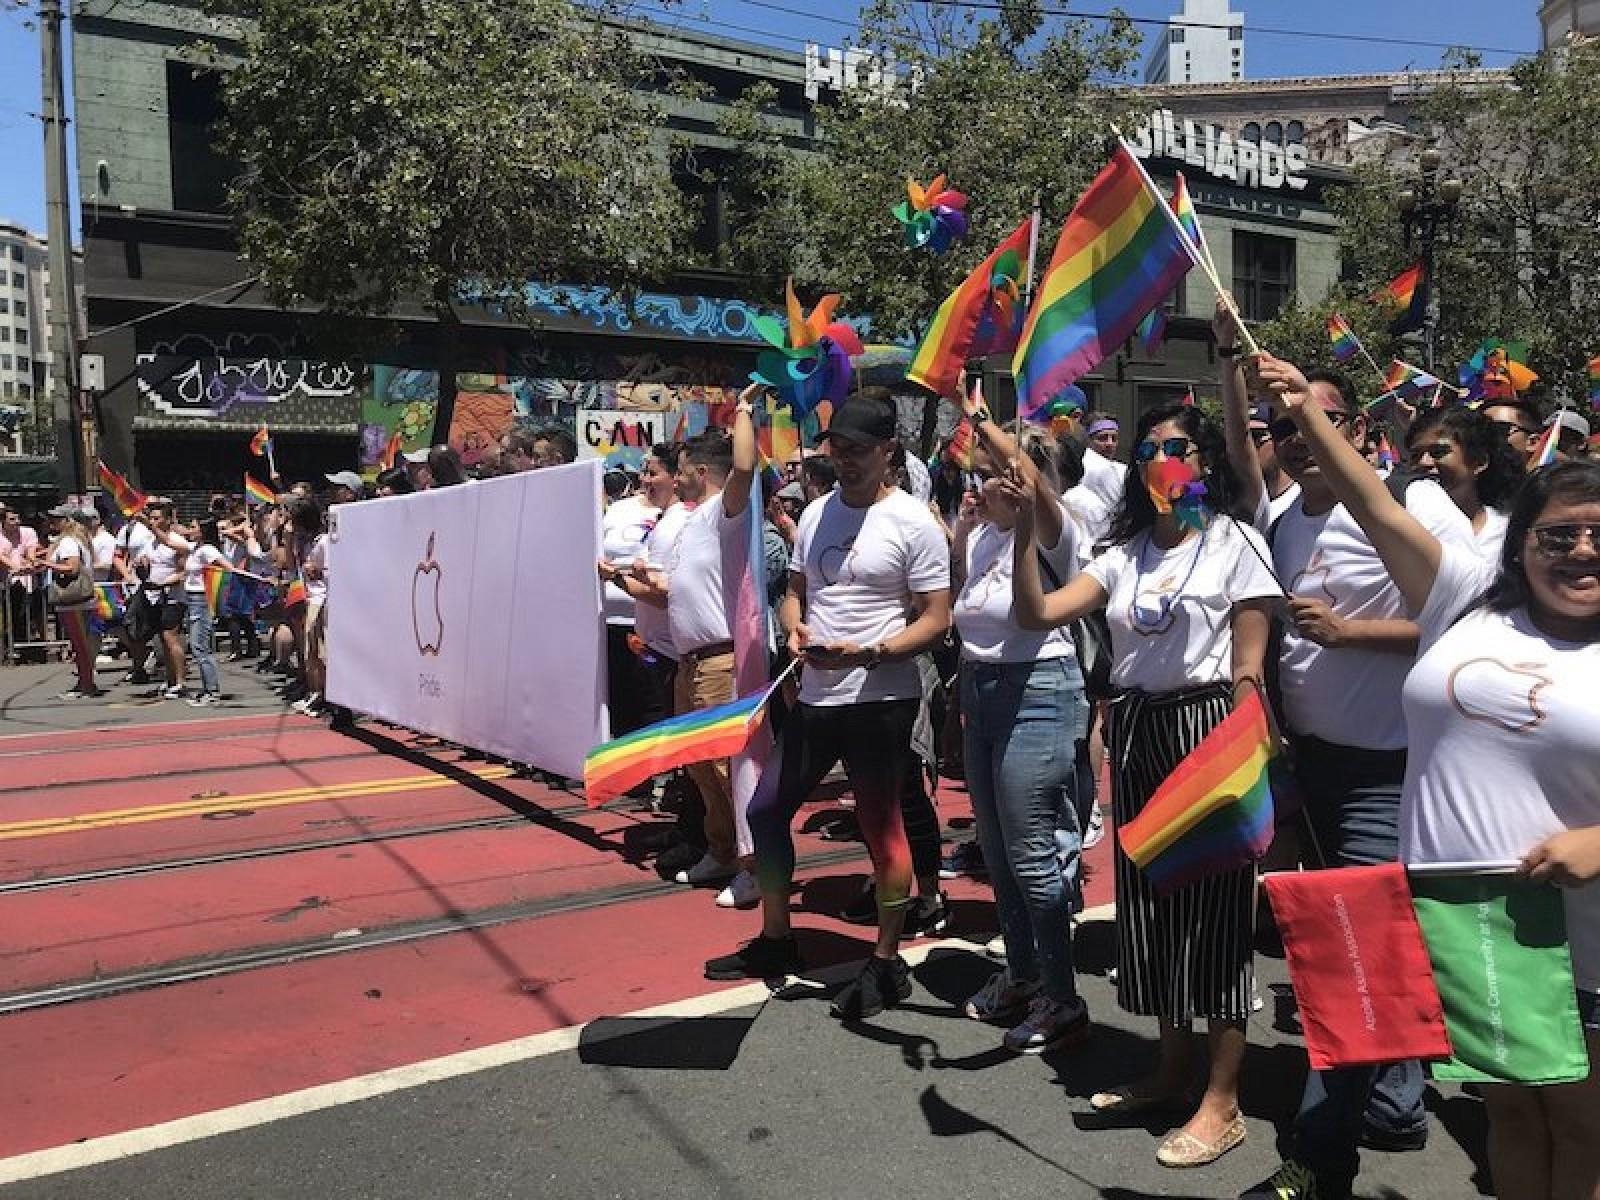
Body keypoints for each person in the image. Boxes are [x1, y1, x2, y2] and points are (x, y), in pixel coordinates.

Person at [1251, 352, 1600, 1200]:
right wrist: (1306, 409)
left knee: (1584, 1133)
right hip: (1474, 924)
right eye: (1560, 535)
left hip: (1584, 937)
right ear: (1524, 544)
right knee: (1512, 1119)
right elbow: (1373, 501)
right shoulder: (1471, 599)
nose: (1583, 552)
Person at [1215, 297, 1478, 1190]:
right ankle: (1397, 1102)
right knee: (1350, 943)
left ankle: (1317, 1158)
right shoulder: (1286, 518)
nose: (1292, 441)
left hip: (1388, 772)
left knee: (1355, 951)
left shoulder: (1419, 503)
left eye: (1308, 422)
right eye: (1282, 429)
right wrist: (1228, 362)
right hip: (1307, 767)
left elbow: (1455, 623)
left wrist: (1352, 635)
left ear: (1352, 427)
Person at [1011, 401, 1280, 1169]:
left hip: (1207, 734)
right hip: (1136, 735)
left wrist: (1240, 751)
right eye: (1151, 447)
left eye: (1180, 447)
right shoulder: (1123, 551)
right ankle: (1171, 1072)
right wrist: (1025, 529)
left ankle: (1223, 1101)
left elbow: (1249, 664)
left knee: (1218, 917)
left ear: (1205, 462)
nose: (1165, 457)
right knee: (1152, 912)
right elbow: (1039, 614)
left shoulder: (1235, 541)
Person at [705, 388, 952, 1021]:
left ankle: (886, 959)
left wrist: (870, 651)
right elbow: (796, 591)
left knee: (881, 826)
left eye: (856, 449)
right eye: (835, 447)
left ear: (888, 451)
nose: (842, 458)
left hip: (881, 699)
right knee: (765, 810)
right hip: (817, 692)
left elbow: (936, 621)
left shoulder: (916, 523)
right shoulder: (815, 515)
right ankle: (777, 938)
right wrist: (795, 627)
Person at [952, 401, 1091, 1055]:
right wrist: (961, 532)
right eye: (978, 473)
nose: (983, 483)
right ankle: (1023, 972)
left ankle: (1061, 997)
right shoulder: (981, 530)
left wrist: (976, 416)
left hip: (1038, 692)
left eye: (995, 472)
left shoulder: (1051, 530)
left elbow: (1031, 487)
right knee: (999, 852)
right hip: (981, 691)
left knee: (1033, 858)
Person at [659, 396, 760, 906]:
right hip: (691, 664)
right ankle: (721, 850)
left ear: (701, 472)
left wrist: (743, 413)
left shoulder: (726, 513)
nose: (674, 482)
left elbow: (745, 464)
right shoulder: (692, 524)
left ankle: (752, 863)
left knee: (726, 765)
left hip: (720, 663)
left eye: (680, 472)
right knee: (699, 764)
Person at [1402, 405, 1524, 560]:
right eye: (1415, 455)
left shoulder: (1509, 537)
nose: (1424, 462)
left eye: (1438, 452)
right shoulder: (1398, 531)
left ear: (1478, 461)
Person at [38, 506, 101, 698]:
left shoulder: (68, 542)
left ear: (68, 521)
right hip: (79, 600)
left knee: (80, 644)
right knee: (82, 643)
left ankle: (86, 685)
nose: (52, 522)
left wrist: (46, 564)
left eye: (57, 519)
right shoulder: (77, 540)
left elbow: (71, 568)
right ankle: (85, 682)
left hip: (74, 601)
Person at [137, 500, 193, 699]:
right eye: (151, 518)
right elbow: (145, 562)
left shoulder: (176, 541)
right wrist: (141, 564)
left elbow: (183, 572)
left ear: (168, 520)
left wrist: (165, 583)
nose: (152, 522)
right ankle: (170, 679)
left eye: (157, 518)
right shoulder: (150, 542)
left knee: (171, 637)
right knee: (162, 639)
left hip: (173, 597)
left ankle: (180, 681)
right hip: (154, 596)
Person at [180, 518, 229, 707]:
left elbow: (226, 567)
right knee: (197, 646)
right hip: (192, 599)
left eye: (193, 527)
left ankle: (212, 691)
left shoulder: (208, 550)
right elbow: (170, 539)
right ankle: (207, 689)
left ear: (203, 531)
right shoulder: (195, 548)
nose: (189, 530)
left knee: (200, 646)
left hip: (201, 599)